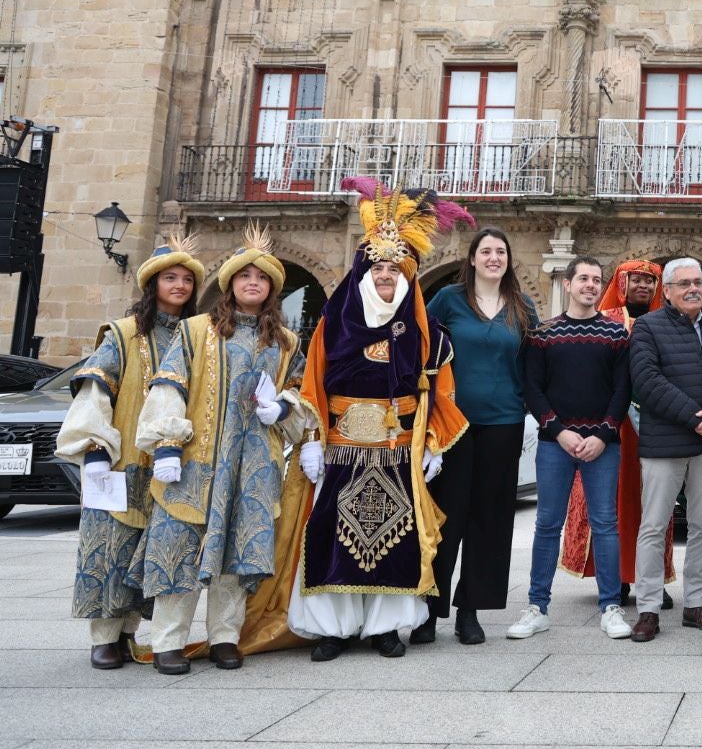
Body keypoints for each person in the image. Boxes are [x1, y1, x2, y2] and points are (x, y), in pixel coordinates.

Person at [256, 179, 472, 662]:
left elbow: (441, 394)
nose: (385, 277)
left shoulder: (428, 336)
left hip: (398, 449)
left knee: (394, 538)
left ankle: (385, 627)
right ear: (362, 272)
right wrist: (310, 439)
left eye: (395, 270)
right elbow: (310, 385)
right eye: (377, 268)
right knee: (334, 533)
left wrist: (434, 442)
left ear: (409, 277)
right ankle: (334, 629)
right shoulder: (333, 326)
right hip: (339, 448)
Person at [134, 225, 304, 675]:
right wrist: (167, 444)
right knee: (180, 549)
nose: (253, 282)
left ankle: (225, 637)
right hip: (196, 461)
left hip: (254, 464)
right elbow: (168, 385)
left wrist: (283, 408)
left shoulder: (286, 342)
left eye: (262, 277)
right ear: (229, 284)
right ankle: (169, 641)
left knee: (237, 551)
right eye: (244, 275)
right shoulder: (193, 331)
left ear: (271, 289)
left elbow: (300, 394)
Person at [55, 235, 204, 669]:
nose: (179, 286)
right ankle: (104, 636)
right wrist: (94, 445)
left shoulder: (196, 337)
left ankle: (131, 632)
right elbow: (97, 385)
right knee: (108, 547)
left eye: (187, 280)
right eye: (170, 278)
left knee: (149, 552)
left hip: (170, 464)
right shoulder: (122, 334)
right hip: (120, 460)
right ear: (151, 284)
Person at [417, 228, 538, 646]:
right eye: (485, 251)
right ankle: (428, 612)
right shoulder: (448, 300)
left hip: (504, 423)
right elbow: (420, 347)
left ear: (508, 260)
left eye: (500, 251)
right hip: (451, 426)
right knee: (445, 517)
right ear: (471, 259)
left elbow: (536, 366)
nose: (493, 257)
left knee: (491, 519)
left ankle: (470, 610)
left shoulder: (523, 308)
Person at [510, 255, 633, 640]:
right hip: (554, 444)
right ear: (568, 283)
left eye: (597, 280)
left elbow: (623, 390)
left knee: (605, 525)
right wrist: (559, 431)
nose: (590, 285)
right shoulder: (543, 334)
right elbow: (533, 388)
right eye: (583, 278)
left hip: (602, 445)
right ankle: (537, 606)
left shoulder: (617, 335)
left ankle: (611, 606)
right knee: (547, 525)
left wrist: (603, 434)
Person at [626, 258, 702, 642]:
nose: (693, 289)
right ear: (667, 291)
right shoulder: (647, 327)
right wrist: (696, 417)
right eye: (684, 283)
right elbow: (646, 381)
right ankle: (648, 609)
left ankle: (696, 605)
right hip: (665, 444)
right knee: (654, 527)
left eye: (698, 282)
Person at [559, 258, 676, 611]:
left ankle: (652, 578)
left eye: (650, 281)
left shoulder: (670, 323)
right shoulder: (604, 320)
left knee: (654, 506)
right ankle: (616, 578)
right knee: (610, 504)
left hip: (656, 426)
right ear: (622, 283)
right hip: (611, 428)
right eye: (636, 279)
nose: (643, 286)